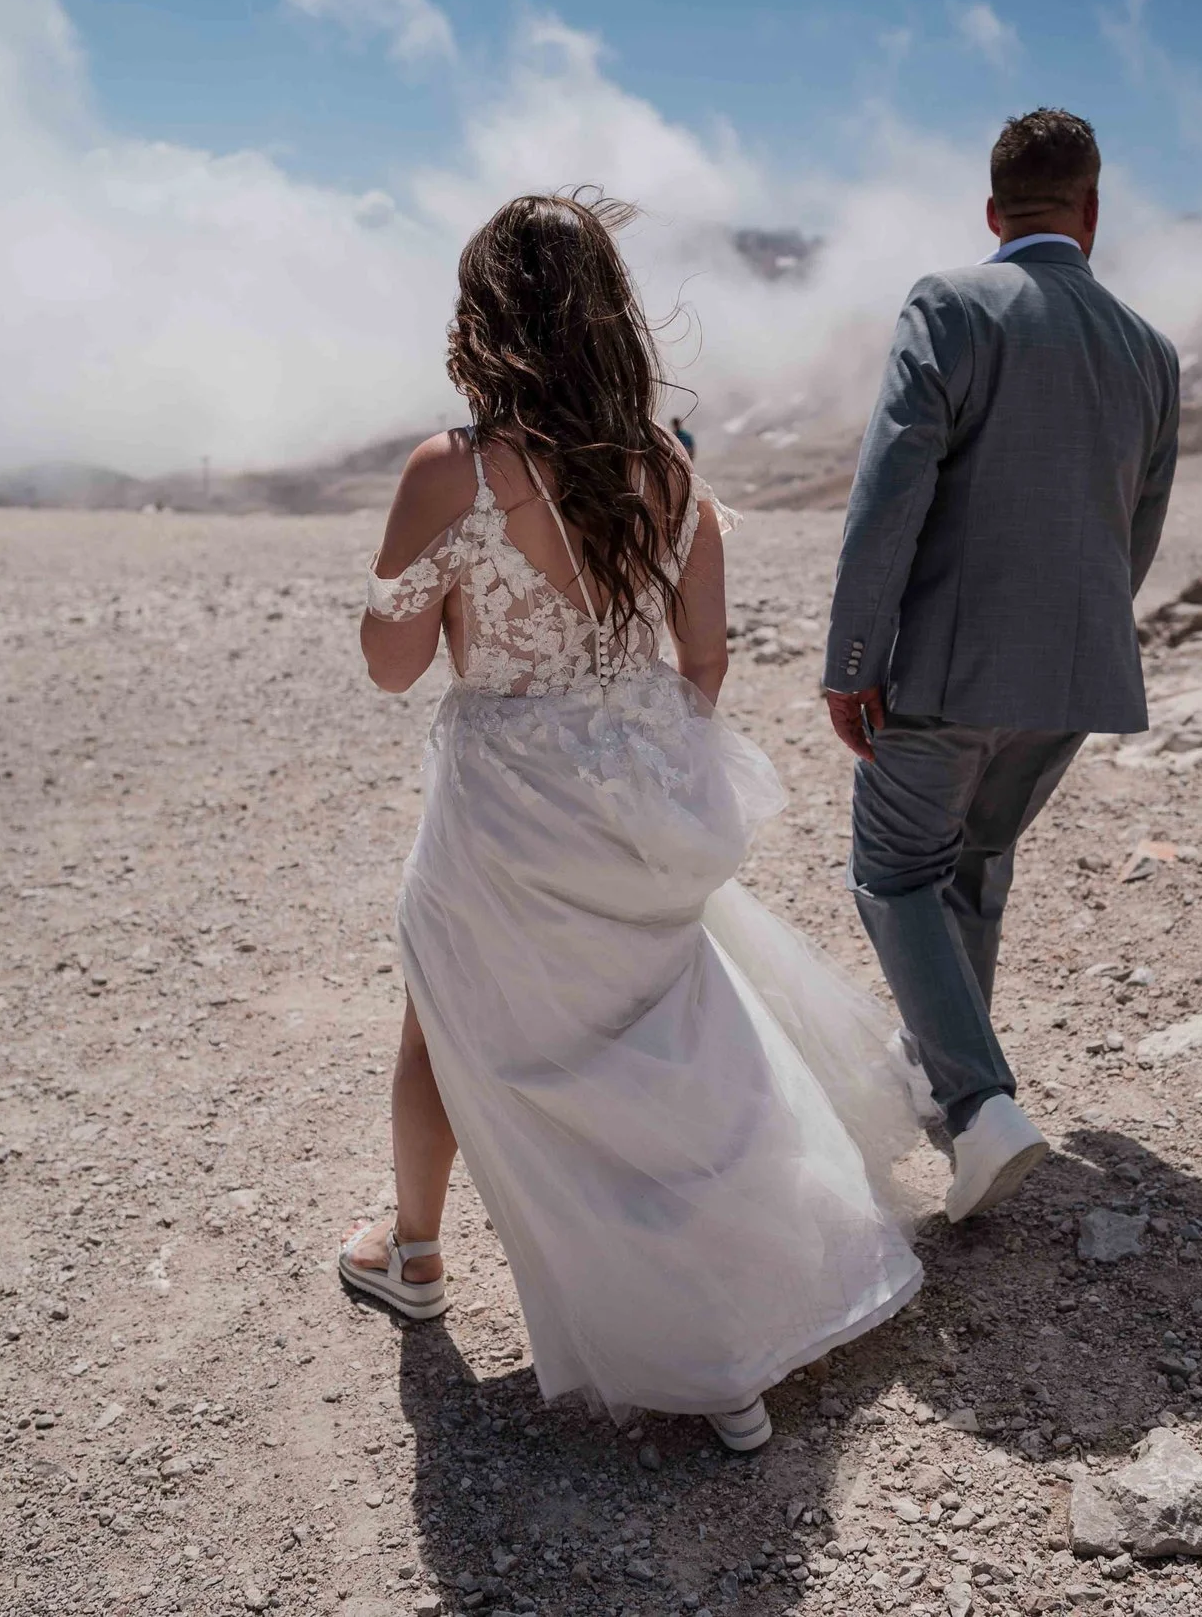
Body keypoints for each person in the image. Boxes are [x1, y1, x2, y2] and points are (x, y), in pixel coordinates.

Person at [343, 191, 927, 1452]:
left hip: (503, 799)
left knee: (440, 1012)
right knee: (660, 1041)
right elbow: (702, 662)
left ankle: (416, 1250)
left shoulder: (451, 469)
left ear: (483, 316)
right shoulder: (669, 470)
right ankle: (732, 1349)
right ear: (608, 314)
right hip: (639, 794)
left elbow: (394, 664)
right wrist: (624, 742)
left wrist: (432, 606)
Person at [823, 108, 1182, 1224]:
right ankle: (947, 1085)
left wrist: (851, 657)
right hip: (1071, 672)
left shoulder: (950, 303)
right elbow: (1141, 526)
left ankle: (980, 1107)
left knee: (891, 871)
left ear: (992, 211)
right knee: (973, 863)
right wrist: (1073, 642)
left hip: (940, 670)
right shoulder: (1150, 350)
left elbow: (891, 491)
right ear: (1090, 208)